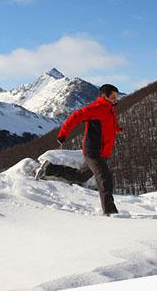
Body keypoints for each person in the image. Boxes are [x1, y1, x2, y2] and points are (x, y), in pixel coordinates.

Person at [35, 84, 123, 216]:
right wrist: (63, 134)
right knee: (104, 178)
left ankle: (49, 168)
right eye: (113, 97)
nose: (116, 99)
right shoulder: (96, 108)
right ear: (104, 97)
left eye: (117, 96)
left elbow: (109, 123)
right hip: (93, 151)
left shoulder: (110, 108)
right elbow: (76, 116)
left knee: (80, 176)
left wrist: (117, 128)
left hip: (103, 151)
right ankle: (110, 212)